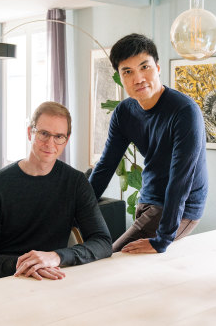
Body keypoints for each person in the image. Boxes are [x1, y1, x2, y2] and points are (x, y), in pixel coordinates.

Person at [89, 33, 208, 254]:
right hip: (148, 200)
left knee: (112, 257)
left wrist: (162, 240)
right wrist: (79, 210)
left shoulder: (184, 111)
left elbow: (180, 179)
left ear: (158, 67)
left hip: (181, 208)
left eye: (145, 67)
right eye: (128, 72)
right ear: (120, 77)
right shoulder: (124, 112)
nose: (139, 78)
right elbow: (105, 166)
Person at [0, 101, 112, 282]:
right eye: (44, 134)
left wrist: (56, 256)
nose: (50, 143)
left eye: (59, 136)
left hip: (51, 274)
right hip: (3, 276)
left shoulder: (76, 182)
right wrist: (30, 265)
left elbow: (103, 242)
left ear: (66, 140)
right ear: (30, 133)